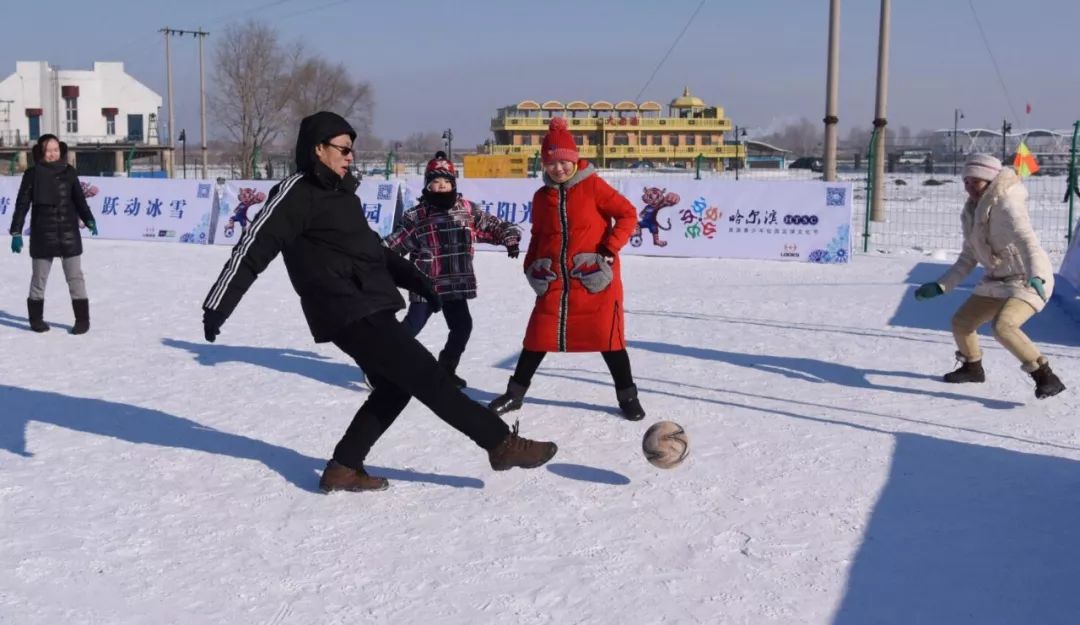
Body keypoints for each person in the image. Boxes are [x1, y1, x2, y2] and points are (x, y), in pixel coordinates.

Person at [200, 111, 557, 493]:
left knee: (395, 386)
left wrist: (417, 279)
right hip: (345, 309)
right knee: (428, 377)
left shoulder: (341, 196)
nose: (350, 156)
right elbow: (253, 248)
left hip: (369, 304)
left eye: (351, 149)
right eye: (343, 149)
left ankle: (344, 466)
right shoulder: (295, 193)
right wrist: (217, 304)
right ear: (318, 149)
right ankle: (501, 444)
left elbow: (373, 251)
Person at [488, 117, 646, 420]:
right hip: (555, 282)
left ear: (574, 160)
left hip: (592, 278)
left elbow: (627, 215)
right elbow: (538, 235)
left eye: (564, 162)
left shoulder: (594, 186)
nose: (558, 168)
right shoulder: (541, 197)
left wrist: (608, 249)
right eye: (551, 163)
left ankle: (628, 396)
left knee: (609, 341)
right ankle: (514, 394)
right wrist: (531, 266)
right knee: (537, 338)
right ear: (544, 165)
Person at [914, 153, 1066, 399]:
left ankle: (1045, 376)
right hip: (998, 279)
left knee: (1003, 326)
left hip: (1028, 279)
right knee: (962, 322)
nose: (969, 187)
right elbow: (968, 257)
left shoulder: (1007, 205)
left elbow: (1028, 243)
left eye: (975, 181)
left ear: (989, 181)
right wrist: (942, 285)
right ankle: (972, 367)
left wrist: (1037, 275)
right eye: (966, 181)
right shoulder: (971, 212)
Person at [384, 151, 521, 388]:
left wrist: (509, 237)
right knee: (412, 326)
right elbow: (395, 243)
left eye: (446, 182)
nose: (441, 187)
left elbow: (493, 225)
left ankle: (446, 369)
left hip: (455, 281)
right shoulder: (417, 216)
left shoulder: (467, 209)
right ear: (428, 185)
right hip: (426, 283)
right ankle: (380, 364)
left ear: (453, 184)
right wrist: (370, 259)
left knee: (462, 327)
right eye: (435, 182)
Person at [9, 134, 97, 334]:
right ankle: (36, 319)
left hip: (68, 233)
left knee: (75, 277)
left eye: (56, 149)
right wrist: (16, 231)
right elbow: (22, 204)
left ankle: (82, 320)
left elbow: (79, 200)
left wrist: (89, 219)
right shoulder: (32, 174)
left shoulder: (69, 172)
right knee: (39, 278)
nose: (53, 153)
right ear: (41, 152)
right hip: (43, 232)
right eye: (48, 150)